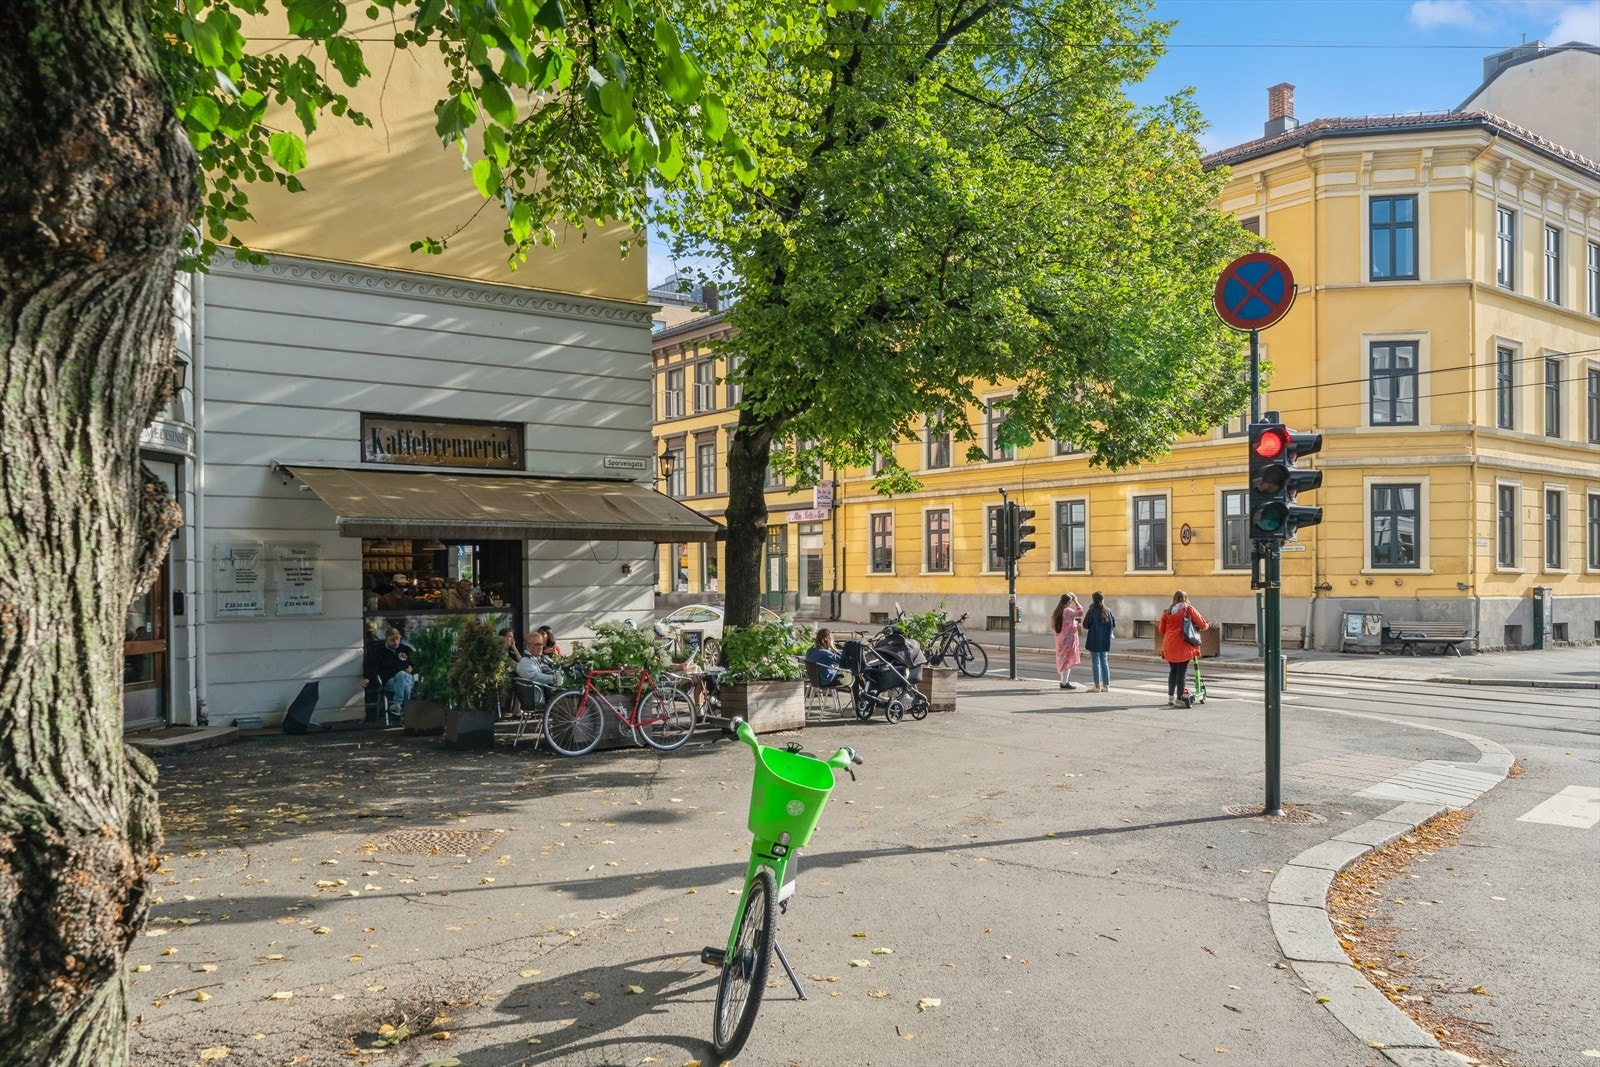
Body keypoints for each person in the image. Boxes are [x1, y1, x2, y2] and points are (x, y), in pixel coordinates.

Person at [1157, 590, 1208, 707]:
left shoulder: (1167, 612)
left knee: (1173, 671)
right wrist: (1206, 626)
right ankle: (1180, 698)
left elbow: (1161, 630)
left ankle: (1171, 697)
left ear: (1174, 598)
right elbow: (1202, 624)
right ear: (1185, 598)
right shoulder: (1188, 609)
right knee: (1182, 672)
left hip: (1169, 644)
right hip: (1183, 645)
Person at [361, 627, 417, 719]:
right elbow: (373, 667)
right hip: (390, 681)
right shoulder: (380, 653)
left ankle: (397, 704)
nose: (395, 642)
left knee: (402, 675)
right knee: (405, 686)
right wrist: (368, 678)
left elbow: (418, 663)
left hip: (407, 677)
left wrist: (413, 669)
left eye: (397, 639)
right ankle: (406, 714)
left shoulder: (405, 649)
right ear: (386, 639)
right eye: (392, 640)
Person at [1081, 591, 1116, 693]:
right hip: (1105, 640)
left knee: (1095, 662)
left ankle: (1097, 686)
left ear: (1093, 599)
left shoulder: (1092, 611)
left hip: (1094, 639)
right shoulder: (1108, 611)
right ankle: (1106, 686)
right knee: (1104, 661)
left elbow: (1085, 625)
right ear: (1102, 599)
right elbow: (1113, 624)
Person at [1051, 592, 1085, 690]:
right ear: (1068, 602)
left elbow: (1052, 625)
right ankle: (1064, 682)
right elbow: (1080, 612)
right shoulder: (1068, 611)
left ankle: (1063, 681)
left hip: (1059, 639)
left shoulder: (1055, 611)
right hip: (1069, 640)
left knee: (1062, 660)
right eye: (1070, 602)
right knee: (1067, 661)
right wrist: (1076, 600)